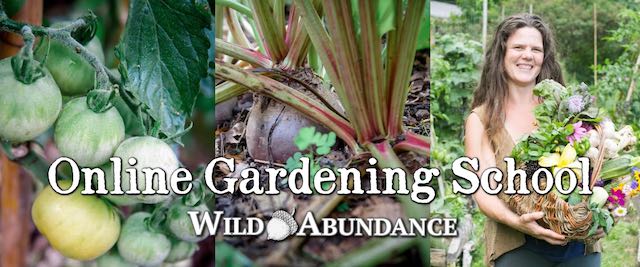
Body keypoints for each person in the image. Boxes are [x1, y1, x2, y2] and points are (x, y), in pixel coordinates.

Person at [464, 14, 602, 267]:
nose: (527, 55)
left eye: (536, 49)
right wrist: (519, 222)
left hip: (579, 246)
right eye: (518, 47)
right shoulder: (481, 119)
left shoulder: (566, 109)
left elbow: (597, 162)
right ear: (502, 53)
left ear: (544, 57)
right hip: (518, 247)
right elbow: (482, 190)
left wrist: (604, 207)